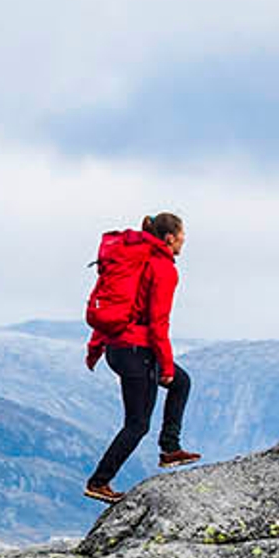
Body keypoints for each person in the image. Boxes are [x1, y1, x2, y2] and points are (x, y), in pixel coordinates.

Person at [83, 212, 197, 501]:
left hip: (120, 348)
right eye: (182, 234)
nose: (185, 239)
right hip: (137, 351)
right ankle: (98, 482)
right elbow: (159, 322)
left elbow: (117, 303)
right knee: (137, 424)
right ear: (170, 238)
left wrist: (97, 346)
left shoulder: (138, 259)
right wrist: (166, 364)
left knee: (181, 382)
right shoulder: (162, 268)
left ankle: (170, 449)